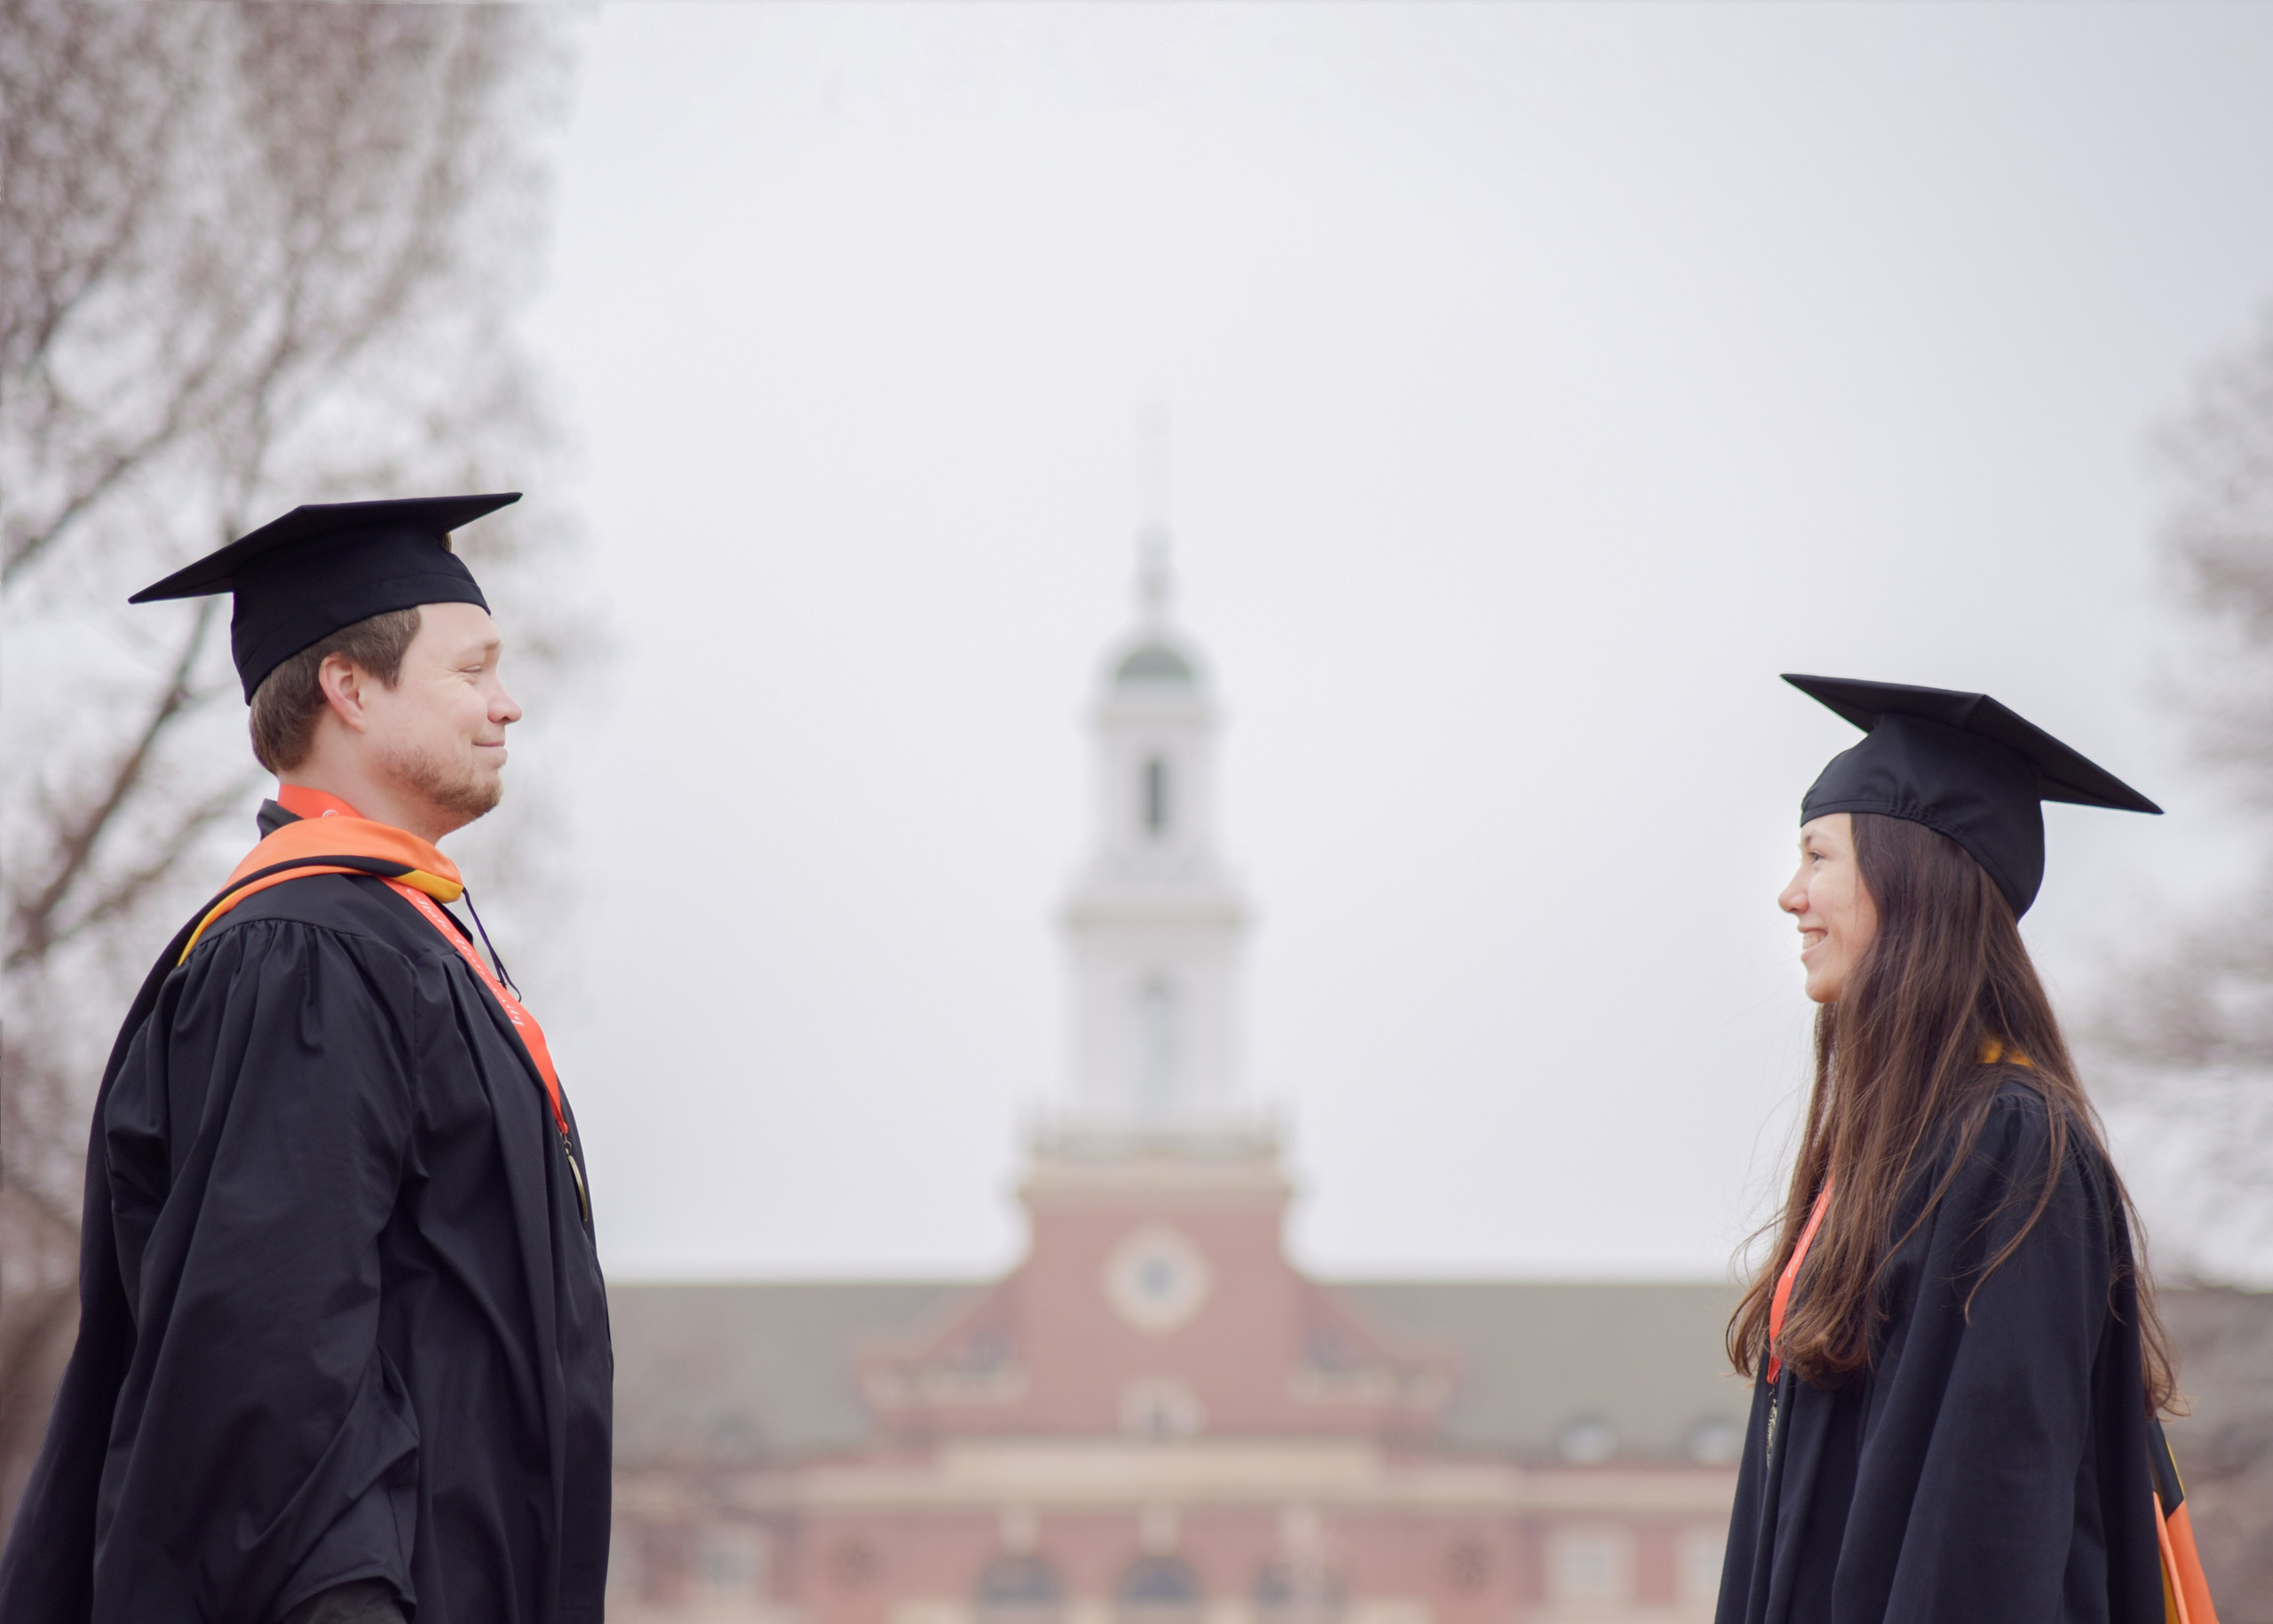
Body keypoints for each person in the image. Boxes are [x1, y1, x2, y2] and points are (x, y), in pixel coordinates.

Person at [0, 495, 611, 1624]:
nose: (507, 702)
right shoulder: (308, 955)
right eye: (472, 669)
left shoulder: (394, 938)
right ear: (350, 686)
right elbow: (274, 1363)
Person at [1715, 675, 2215, 1624]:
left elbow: (1989, 1514)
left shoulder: (2007, 1149)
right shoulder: (1887, 1155)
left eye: (1817, 855)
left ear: (1911, 876)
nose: (1790, 895)